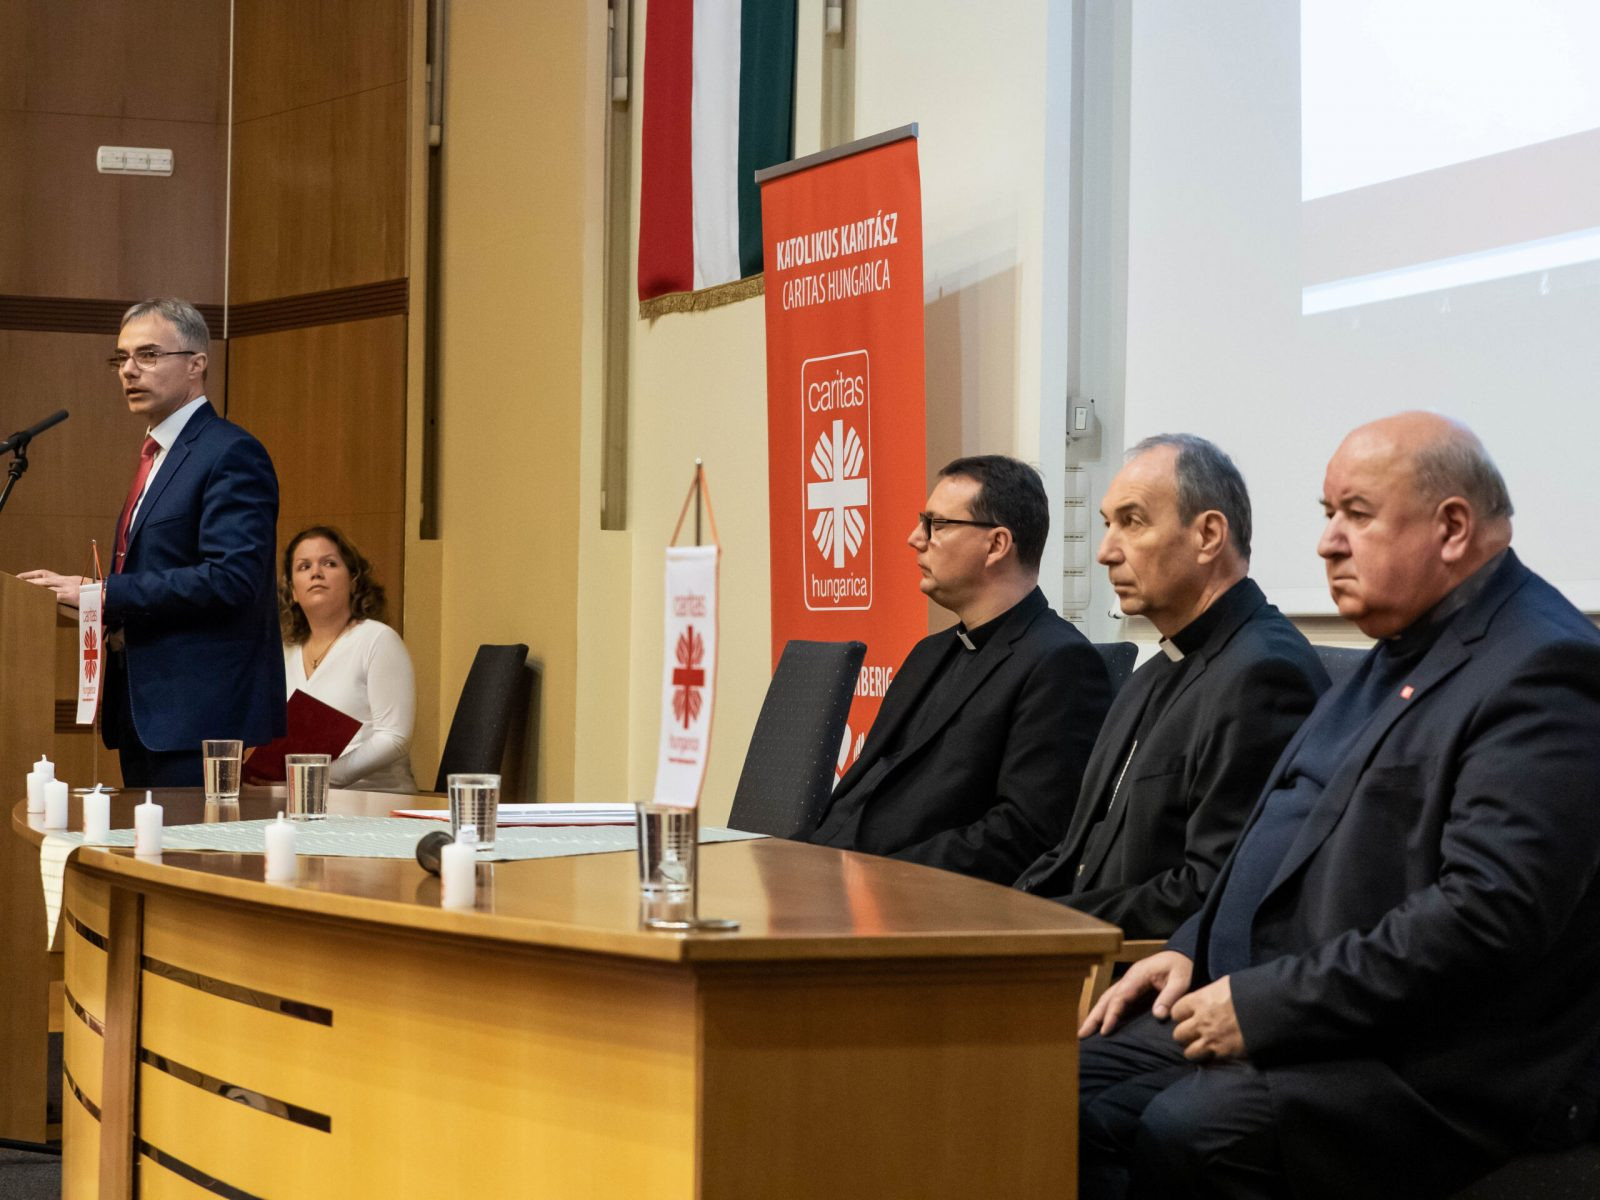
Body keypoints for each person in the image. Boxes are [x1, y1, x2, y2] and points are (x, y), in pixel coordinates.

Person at [1076, 412, 1600, 1200]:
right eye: (1328, 515)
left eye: (1355, 514)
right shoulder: (1398, 648)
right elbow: (1282, 828)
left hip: (1434, 1062)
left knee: (1187, 1132)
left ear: (1452, 527)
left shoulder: (1544, 669)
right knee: (1059, 1086)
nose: (1327, 543)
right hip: (1307, 1004)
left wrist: (1263, 1005)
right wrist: (1193, 944)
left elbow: (1487, 917)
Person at [1014, 435, 1327, 939]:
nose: (1105, 552)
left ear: (1208, 535)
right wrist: (1006, 911)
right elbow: (1074, 852)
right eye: (1107, 524)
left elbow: (1212, 892)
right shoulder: (1155, 670)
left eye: (1133, 522)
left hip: (1139, 966)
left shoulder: (1263, 675)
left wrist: (1050, 924)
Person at [808, 455, 1113, 884]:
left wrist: (879, 877)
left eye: (937, 524)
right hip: (830, 876)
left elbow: (1027, 835)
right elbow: (861, 795)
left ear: (997, 545)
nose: (916, 538)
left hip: (914, 898)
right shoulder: (929, 653)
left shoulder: (1060, 663)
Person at [20, 298, 283, 786]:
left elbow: (232, 579)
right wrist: (92, 595)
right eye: (121, 358)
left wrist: (104, 593)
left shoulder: (230, 452)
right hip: (146, 710)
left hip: (200, 716)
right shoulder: (159, 454)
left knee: (189, 838)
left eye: (148, 355)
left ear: (196, 365)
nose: (129, 370)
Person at [278, 526, 416, 792]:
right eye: (304, 566)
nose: (316, 572)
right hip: (301, 798)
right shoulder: (285, 652)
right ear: (293, 591)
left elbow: (395, 737)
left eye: (329, 563)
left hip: (375, 798)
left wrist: (317, 777)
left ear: (353, 581)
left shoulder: (378, 640)